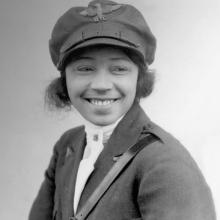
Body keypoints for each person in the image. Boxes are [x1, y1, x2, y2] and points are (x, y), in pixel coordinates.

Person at [29, 0, 216, 219]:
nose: (101, 84)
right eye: (85, 68)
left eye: (118, 69)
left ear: (139, 79)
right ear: (65, 79)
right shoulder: (67, 147)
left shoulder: (163, 162)